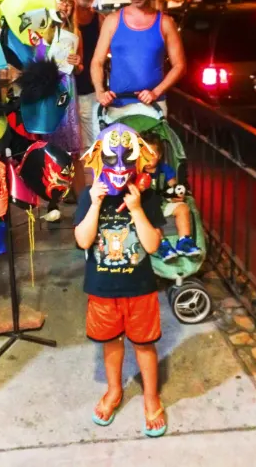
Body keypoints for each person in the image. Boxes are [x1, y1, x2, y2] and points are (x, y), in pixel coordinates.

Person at [74, 124, 167, 438]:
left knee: (144, 345)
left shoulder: (148, 196)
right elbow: (84, 241)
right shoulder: (90, 198)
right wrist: (96, 203)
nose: (118, 168)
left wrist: (139, 209)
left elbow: (152, 244)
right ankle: (114, 390)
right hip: (102, 290)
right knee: (111, 343)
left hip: (140, 289)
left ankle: (151, 396)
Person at [91, 0, 186, 119]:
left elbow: (180, 66)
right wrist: (100, 92)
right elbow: (97, 62)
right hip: (118, 106)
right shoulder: (112, 20)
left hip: (153, 107)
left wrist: (156, 92)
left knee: (152, 145)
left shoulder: (165, 23)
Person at [43, 0, 83, 221]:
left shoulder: (74, 32)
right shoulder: (43, 29)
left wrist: (77, 63)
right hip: (49, 89)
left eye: (69, 2)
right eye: (61, 0)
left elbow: (80, 67)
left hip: (67, 88)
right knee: (50, 146)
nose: (65, 5)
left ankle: (82, 201)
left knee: (73, 147)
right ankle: (52, 202)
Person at [141, 131, 201, 261]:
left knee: (183, 208)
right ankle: (162, 243)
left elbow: (173, 186)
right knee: (147, 211)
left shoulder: (165, 169)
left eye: (151, 155)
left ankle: (184, 241)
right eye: (143, 155)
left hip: (163, 203)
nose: (147, 159)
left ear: (160, 155)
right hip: (147, 206)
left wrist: (176, 194)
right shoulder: (137, 171)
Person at [72, 0, 101, 192]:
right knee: (70, 147)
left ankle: (95, 192)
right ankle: (74, 192)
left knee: (93, 146)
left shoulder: (100, 20)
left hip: (91, 93)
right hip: (67, 92)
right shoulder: (62, 19)